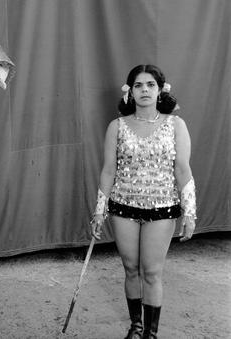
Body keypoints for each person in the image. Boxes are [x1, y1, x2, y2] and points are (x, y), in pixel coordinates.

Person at [90, 64, 197, 339]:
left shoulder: (176, 125)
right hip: (123, 206)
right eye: (139, 85)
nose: (145, 90)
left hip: (162, 208)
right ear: (130, 92)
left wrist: (190, 213)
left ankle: (151, 333)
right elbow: (108, 170)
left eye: (150, 84)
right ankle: (136, 328)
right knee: (130, 268)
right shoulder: (117, 126)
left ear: (160, 90)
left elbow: (183, 169)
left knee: (151, 271)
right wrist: (99, 212)